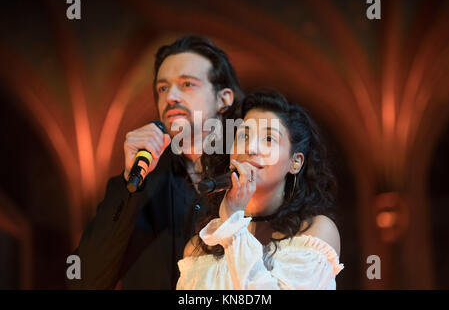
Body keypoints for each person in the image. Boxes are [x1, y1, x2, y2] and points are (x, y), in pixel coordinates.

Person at [67, 35, 244, 289]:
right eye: (162, 88)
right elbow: (83, 282)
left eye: (187, 84)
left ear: (223, 99)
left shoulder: (250, 172)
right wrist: (131, 182)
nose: (170, 96)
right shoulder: (141, 182)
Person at [177, 90, 344, 290]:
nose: (251, 148)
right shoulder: (198, 250)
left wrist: (233, 224)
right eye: (243, 136)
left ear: (295, 162)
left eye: (268, 139)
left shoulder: (315, 232)